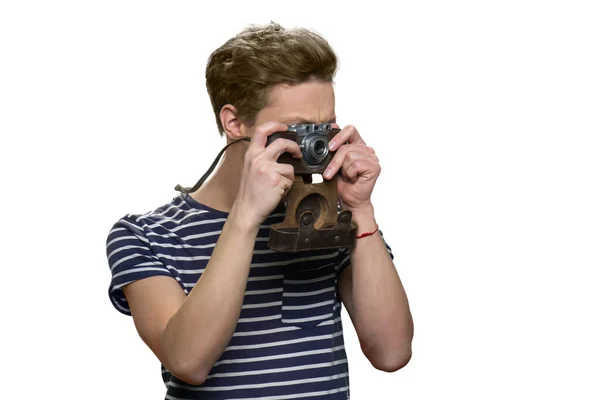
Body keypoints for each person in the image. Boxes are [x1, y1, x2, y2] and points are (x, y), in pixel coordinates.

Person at [105, 22, 413, 399]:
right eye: (299, 129)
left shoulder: (325, 216)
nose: (316, 146)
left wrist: (361, 210)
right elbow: (188, 361)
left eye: (325, 127)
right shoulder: (146, 235)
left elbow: (392, 352)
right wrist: (246, 217)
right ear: (234, 123)